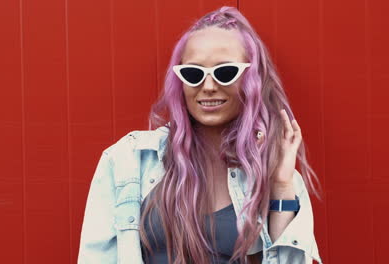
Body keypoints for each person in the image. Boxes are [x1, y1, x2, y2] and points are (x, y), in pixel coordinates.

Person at [78, 6, 323, 264]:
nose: (208, 87)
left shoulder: (276, 175)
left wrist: (281, 186)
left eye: (225, 72)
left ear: (252, 78)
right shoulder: (128, 161)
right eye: (193, 74)